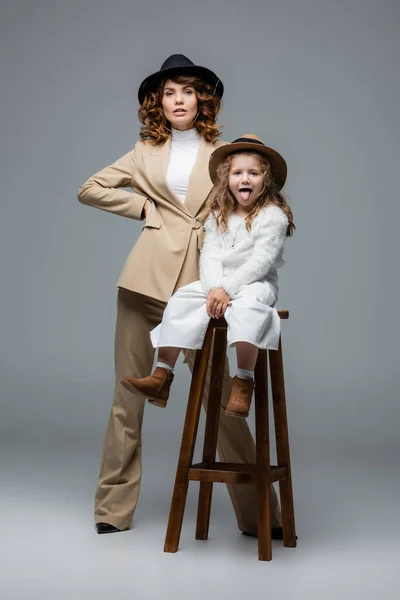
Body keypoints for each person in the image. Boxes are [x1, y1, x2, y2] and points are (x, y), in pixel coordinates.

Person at [78, 55, 283, 537]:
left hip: (203, 284)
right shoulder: (144, 151)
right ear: (158, 102)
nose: (178, 101)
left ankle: (261, 515)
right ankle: (112, 509)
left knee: (219, 399)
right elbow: (91, 188)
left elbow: (251, 195)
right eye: (169, 93)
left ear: (202, 99)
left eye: (187, 91)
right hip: (144, 280)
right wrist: (144, 207)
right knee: (127, 396)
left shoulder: (225, 151)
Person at [122, 134, 295, 420]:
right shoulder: (219, 215)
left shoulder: (273, 215)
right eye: (238, 173)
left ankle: (243, 380)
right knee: (181, 298)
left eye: (254, 173)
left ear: (266, 179)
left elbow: (261, 261)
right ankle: (162, 375)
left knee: (251, 306)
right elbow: (210, 256)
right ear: (227, 178)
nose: (245, 179)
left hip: (255, 282)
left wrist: (227, 289)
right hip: (218, 282)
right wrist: (215, 287)